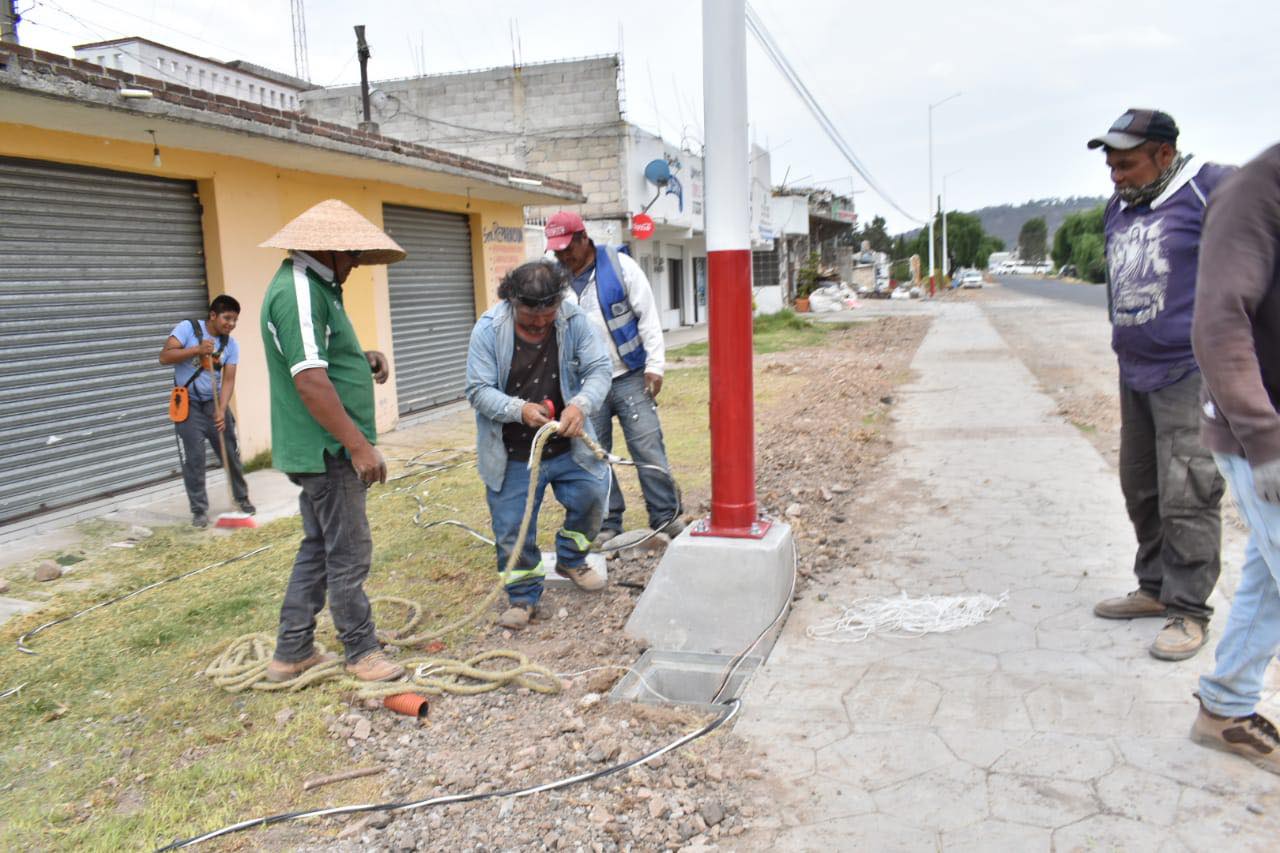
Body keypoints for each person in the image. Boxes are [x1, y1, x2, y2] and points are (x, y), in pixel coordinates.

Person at [1087, 108, 1235, 660]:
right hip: (1135, 373)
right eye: (1111, 166)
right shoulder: (1118, 208)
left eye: (1126, 164)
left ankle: (1188, 610)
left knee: (1188, 491)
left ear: (1165, 155)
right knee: (1141, 486)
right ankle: (1154, 588)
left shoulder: (1208, 188)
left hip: (1189, 373)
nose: (1116, 176)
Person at [257, 199, 407, 683]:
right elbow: (309, 381)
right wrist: (358, 446)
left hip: (323, 448)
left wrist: (359, 358)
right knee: (348, 551)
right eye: (353, 253)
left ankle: (293, 650)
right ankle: (361, 651)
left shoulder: (318, 288)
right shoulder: (298, 291)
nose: (358, 262)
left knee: (319, 546)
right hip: (328, 450)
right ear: (329, 247)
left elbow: (319, 358)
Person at [1188, 143, 1280, 771]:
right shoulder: (1258, 188)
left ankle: (1224, 707)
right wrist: (1265, 441)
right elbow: (1219, 322)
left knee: (1269, 581)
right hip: (1263, 439)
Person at [466, 259, 613, 630]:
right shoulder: (488, 329)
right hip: (512, 451)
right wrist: (519, 409)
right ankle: (522, 595)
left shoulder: (575, 321)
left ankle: (572, 557)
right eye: (530, 317)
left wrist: (581, 404)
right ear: (512, 301)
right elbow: (478, 390)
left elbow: (599, 369)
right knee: (512, 528)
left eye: (547, 316)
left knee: (594, 495)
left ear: (558, 305)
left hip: (568, 445)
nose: (539, 324)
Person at [544, 211, 683, 546]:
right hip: (587, 386)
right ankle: (609, 522)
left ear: (583, 238)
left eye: (567, 247)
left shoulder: (621, 267)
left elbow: (648, 316)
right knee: (594, 455)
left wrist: (656, 366)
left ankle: (666, 517)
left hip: (630, 376)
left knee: (647, 446)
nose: (563, 255)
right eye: (557, 250)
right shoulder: (555, 281)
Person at [159, 295, 255, 528]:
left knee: (229, 452)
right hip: (188, 405)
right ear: (213, 315)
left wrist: (222, 409)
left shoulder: (230, 345)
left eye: (235, 320)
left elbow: (229, 380)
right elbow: (165, 357)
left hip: (213, 403)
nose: (231, 324)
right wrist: (197, 350)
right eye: (227, 318)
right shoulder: (187, 329)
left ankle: (241, 498)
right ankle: (199, 511)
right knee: (194, 458)